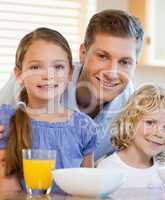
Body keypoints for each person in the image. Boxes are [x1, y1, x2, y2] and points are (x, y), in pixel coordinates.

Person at [0, 9, 144, 161]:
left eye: (124, 62)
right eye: (102, 56)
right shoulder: (35, 82)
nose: (112, 73)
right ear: (83, 53)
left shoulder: (133, 107)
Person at [0, 28, 99, 193]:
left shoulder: (83, 127)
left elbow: (87, 190)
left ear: (69, 74)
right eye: (36, 67)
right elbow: (6, 189)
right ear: (19, 75)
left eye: (58, 66)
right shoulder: (7, 121)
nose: (48, 75)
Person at [97, 84, 165, 189]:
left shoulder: (164, 171)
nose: (158, 133)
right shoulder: (108, 168)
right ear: (130, 123)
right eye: (150, 123)